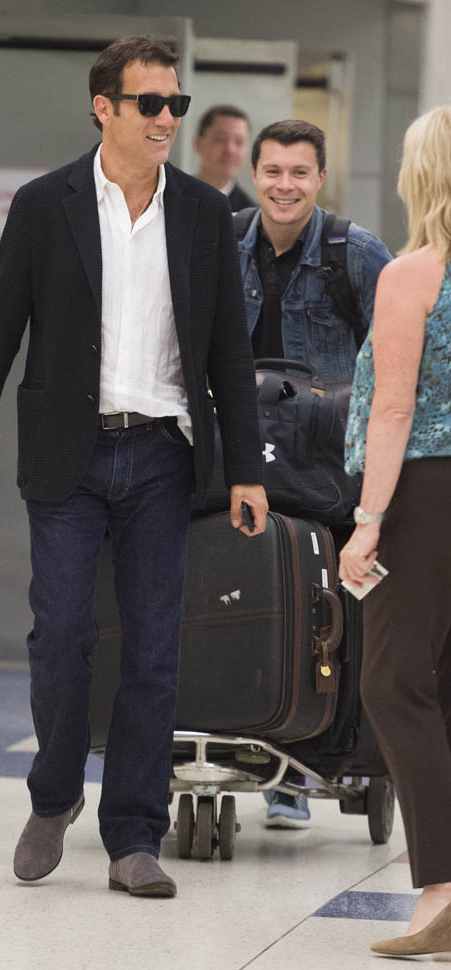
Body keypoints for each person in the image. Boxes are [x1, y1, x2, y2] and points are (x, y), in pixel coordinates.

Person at [0, 35, 267, 899]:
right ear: (104, 108)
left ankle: (133, 836)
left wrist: (244, 468)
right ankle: (53, 799)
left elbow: (228, 352)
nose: (166, 118)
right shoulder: (44, 205)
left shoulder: (201, 212)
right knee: (62, 637)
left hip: (163, 455)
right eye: (149, 104)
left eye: (175, 104)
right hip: (69, 455)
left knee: (153, 649)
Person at [237, 119, 392, 827]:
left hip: (326, 468)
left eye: (299, 172)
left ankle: (298, 767)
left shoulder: (353, 254)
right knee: (238, 593)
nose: (284, 186)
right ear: (254, 174)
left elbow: (399, 358)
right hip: (239, 459)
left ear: (320, 178)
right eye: (272, 171)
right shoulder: (223, 246)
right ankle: (231, 728)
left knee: (315, 606)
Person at [339, 104, 451, 959]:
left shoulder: (414, 273)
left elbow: (392, 407)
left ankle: (441, 889)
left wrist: (366, 520)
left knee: (391, 681)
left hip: (423, 491)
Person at [194, 104, 255, 211]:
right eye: (221, 139)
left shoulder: (251, 216)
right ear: (198, 143)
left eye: (239, 142)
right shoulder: (170, 195)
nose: (230, 150)